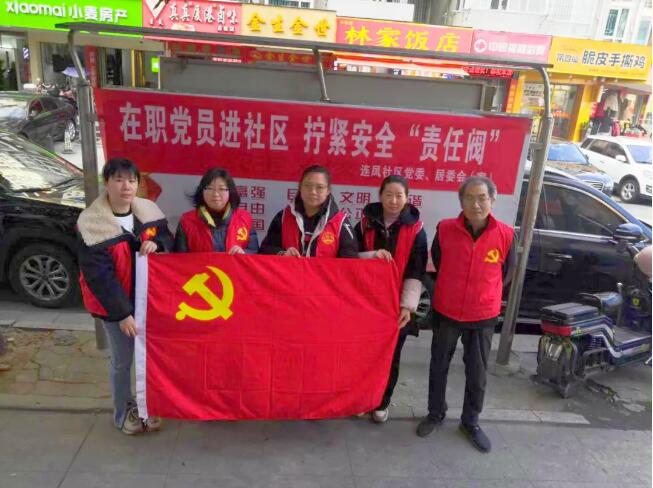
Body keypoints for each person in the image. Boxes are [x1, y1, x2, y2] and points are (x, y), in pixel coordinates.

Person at [416, 176, 516, 453]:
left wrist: (483, 292)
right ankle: (435, 413)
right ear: (461, 201)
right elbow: (439, 261)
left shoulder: (506, 234)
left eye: (482, 198)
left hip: (482, 314)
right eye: (469, 198)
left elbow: (507, 273)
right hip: (447, 311)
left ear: (492, 200)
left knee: (477, 372)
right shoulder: (446, 228)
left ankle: (470, 421)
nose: (476, 204)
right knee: (439, 366)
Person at [77, 158, 174, 435]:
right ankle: (122, 412)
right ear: (106, 183)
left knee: (150, 357)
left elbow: (169, 239)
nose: (126, 186)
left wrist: (158, 243)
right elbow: (99, 276)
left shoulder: (148, 212)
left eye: (131, 180)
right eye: (118, 180)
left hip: (149, 302)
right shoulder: (92, 223)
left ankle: (147, 404)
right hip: (115, 308)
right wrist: (122, 314)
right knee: (122, 361)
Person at [355, 175, 427, 423]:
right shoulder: (364, 224)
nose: (394, 200)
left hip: (396, 306)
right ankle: (362, 399)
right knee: (363, 356)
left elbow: (417, 270)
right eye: (389, 195)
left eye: (399, 195)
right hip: (366, 302)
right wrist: (371, 255)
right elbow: (349, 256)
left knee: (390, 357)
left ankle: (381, 403)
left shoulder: (416, 229)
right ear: (380, 195)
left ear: (407, 198)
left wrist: (407, 306)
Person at [259, 165, 358, 257]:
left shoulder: (340, 223)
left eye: (319, 187)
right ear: (300, 187)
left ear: (328, 190)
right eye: (307, 185)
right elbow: (265, 250)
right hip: (289, 271)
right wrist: (282, 254)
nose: (313, 192)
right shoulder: (283, 217)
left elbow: (350, 262)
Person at [175, 168, 258, 254]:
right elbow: (179, 258)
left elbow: (255, 253)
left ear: (230, 191)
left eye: (221, 189)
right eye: (210, 188)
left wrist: (244, 253)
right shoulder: (187, 221)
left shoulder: (244, 218)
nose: (215, 194)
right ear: (202, 191)